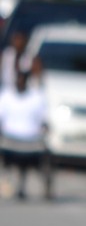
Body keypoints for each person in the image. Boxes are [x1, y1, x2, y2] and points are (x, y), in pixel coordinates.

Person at [0, 66, 52, 199]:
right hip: (10, 139)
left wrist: (46, 130)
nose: (20, 82)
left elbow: (45, 120)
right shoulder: (6, 96)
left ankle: (47, 188)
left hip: (32, 140)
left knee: (45, 156)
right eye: (18, 79)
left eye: (23, 80)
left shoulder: (37, 97)